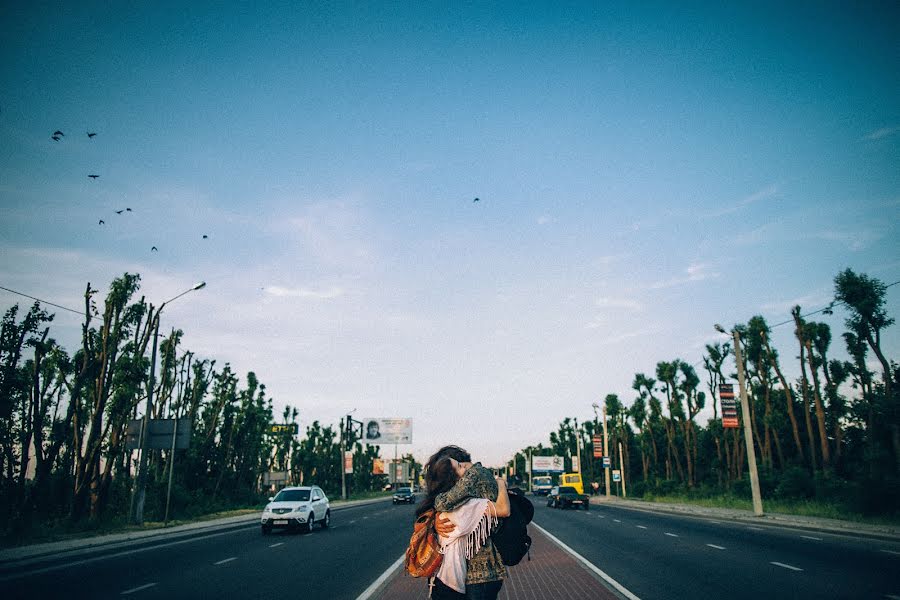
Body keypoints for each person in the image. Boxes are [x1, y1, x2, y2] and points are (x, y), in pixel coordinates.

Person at [420, 445, 510, 600]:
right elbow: (503, 509)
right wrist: (501, 482)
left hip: (471, 577)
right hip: (471, 577)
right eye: (462, 466)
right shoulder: (466, 504)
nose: (470, 470)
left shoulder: (466, 500)